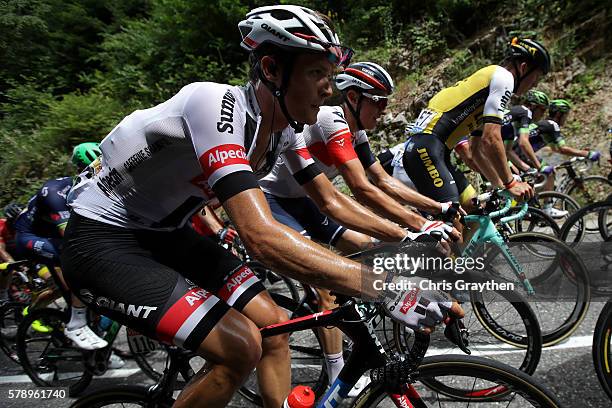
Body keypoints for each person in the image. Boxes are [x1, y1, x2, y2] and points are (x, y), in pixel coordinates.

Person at [60, 5, 463, 407]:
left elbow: (331, 201)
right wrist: (383, 286)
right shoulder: (214, 105)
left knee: (274, 326)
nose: (329, 89)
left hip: (168, 235)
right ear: (271, 70)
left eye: (330, 76)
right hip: (104, 241)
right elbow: (261, 237)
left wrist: (411, 234)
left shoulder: (284, 133)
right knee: (240, 348)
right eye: (316, 74)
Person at [258, 61, 460, 395]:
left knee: (367, 249)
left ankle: (356, 318)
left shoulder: (358, 132)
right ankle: (340, 370)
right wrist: (416, 228)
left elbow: (381, 179)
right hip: (275, 200)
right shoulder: (329, 120)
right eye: (378, 101)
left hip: (306, 199)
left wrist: (433, 211)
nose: (384, 109)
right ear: (353, 97)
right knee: (323, 288)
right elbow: (362, 189)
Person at [403, 38, 552, 209]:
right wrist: (510, 183)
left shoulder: (487, 92)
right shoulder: (504, 78)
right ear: (524, 67)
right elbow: (491, 138)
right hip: (427, 148)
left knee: (473, 208)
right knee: (453, 224)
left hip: (435, 151)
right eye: (536, 78)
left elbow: (476, 150)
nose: (534, 85)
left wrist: (499, 184)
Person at [14, 142, 108, 350]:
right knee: (81, 263)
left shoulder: (94, 189)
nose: (100, 173)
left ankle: (91, 329)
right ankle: (76, 323)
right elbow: (72, 238)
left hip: (53, 237)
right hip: (30, 237)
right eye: (94, 169)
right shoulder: (55, 191)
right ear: (80, 169)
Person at [510, 99, 601, 215]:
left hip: (517, 154)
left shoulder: (544, 124)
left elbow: (555, 149)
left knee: (541, 176)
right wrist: (587, 154)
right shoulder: (551, 125)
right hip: (521, 155)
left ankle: (533, 204)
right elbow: (562, 149)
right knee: (549, 172)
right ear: (559, 114)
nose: (566, 118)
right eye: (566, 115)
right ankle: (547, 208)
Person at [0, 203, 21, 302]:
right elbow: (1, 250)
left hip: (22, 252)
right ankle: (4, 295)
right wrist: (13, 265)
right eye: (13, 221)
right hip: (7, 256)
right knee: (5, 268)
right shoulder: (1, 226)